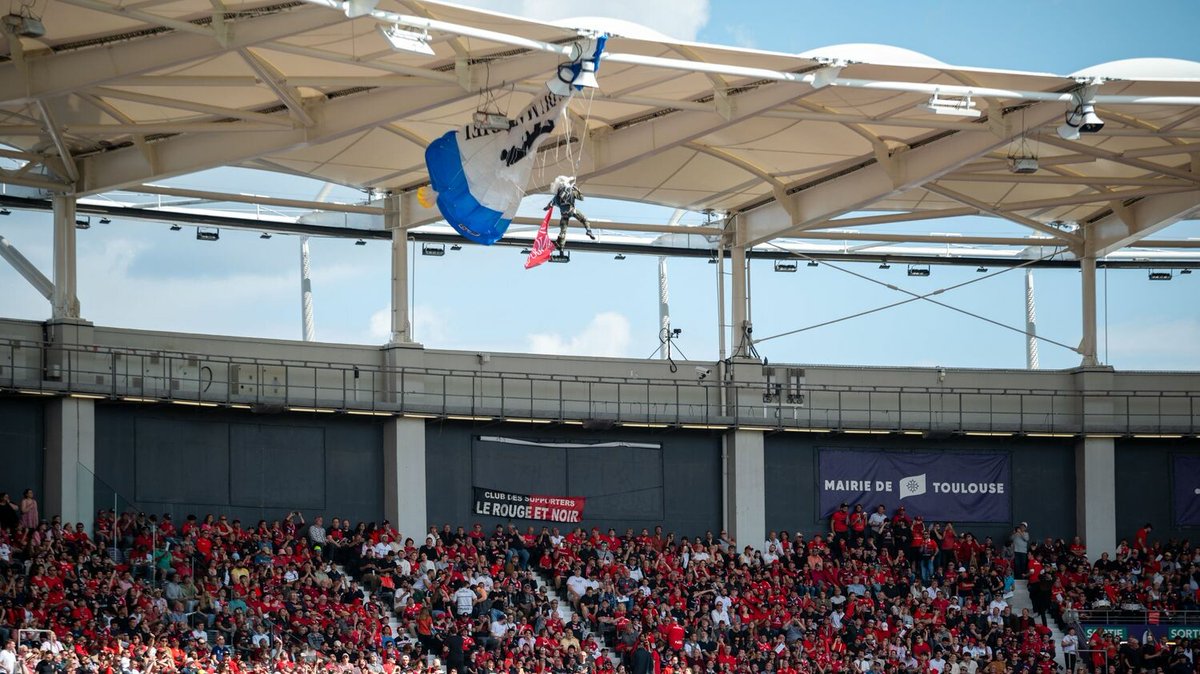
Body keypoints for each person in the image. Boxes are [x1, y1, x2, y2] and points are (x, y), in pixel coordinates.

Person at [546, 175, 595, 251]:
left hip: (564, 214)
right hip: (572, 211)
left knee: (563, 231)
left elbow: (550, 205)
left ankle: (561, 246)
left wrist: (546, 208)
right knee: (584, 219)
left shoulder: (557, 197)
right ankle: (589, 231)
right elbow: (582, 198)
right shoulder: (572, 192)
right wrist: (577, 190)